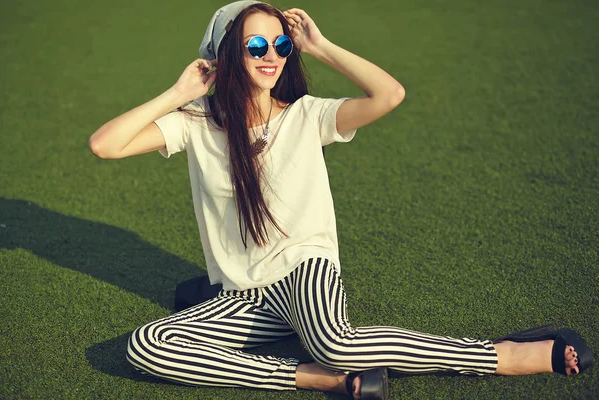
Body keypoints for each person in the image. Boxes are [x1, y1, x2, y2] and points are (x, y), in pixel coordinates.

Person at [88, 1, 593, 398]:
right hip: (240, 294)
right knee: (146, 347)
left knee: (335, 339)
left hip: (305, 269)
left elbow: (388, 95)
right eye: (256, 45)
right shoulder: (197, 123)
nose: (271, 56)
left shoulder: (306, 115)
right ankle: (324, 380)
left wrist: (321, 45)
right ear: (225, 56)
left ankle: (502, 354)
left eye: (281, 44)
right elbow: (105, 145)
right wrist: (178, 93)